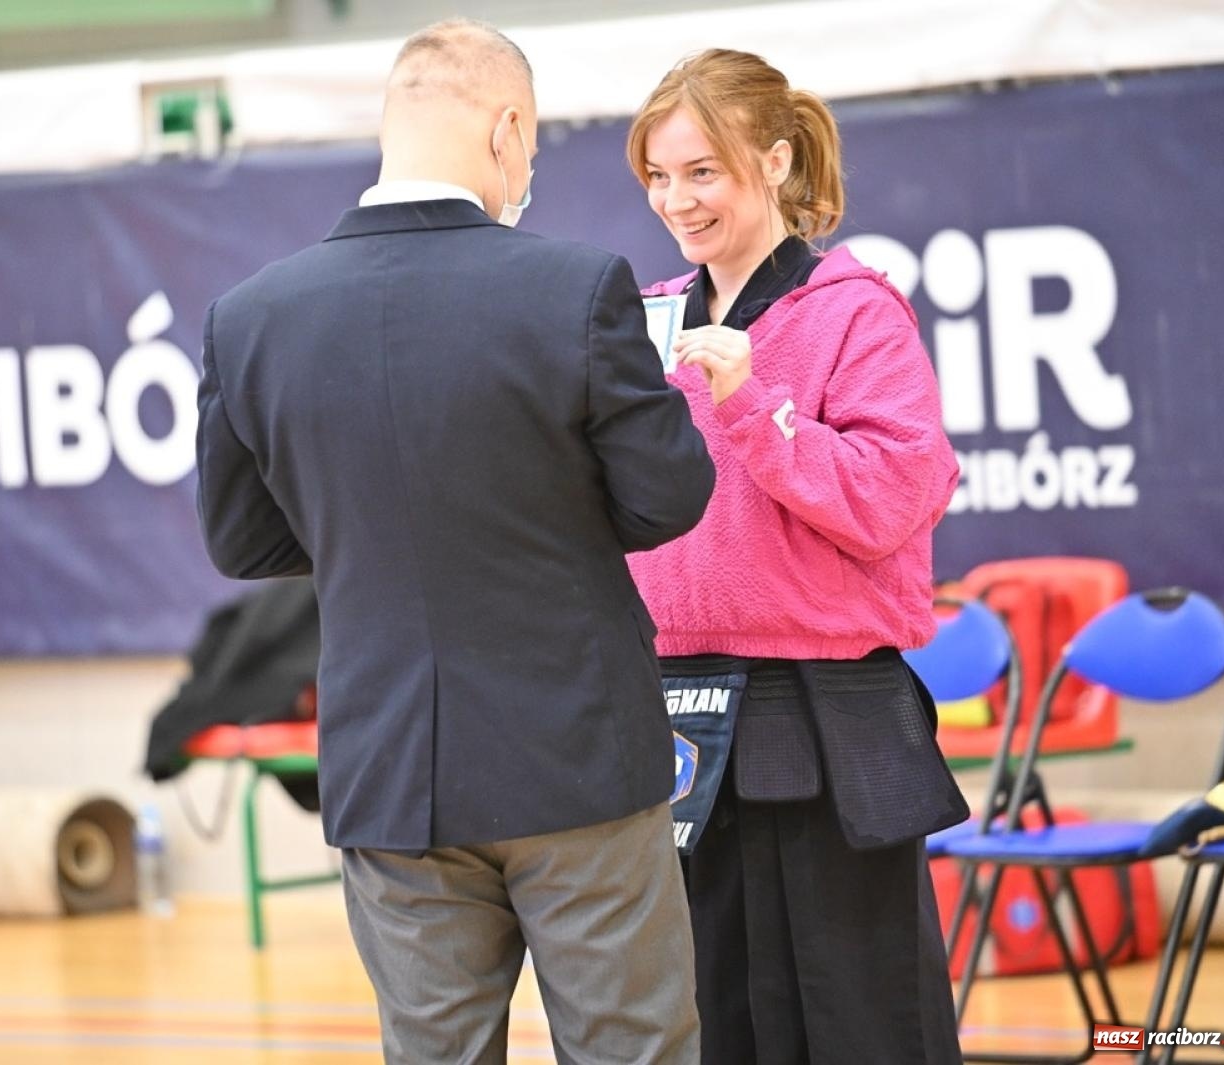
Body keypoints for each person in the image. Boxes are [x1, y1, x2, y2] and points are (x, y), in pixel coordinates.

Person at [195, 19, 714, 1064]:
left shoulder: (249, 317)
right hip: (579, 757)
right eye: (533, 146)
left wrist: (372, 529)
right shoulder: (576, 286)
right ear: (506, 130)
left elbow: (242, 542)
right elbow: (668, 499)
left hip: (391, 773)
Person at [624, 49, 968, 1065]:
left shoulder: (855, 310)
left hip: (823, 710)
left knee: (863, 1022)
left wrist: (754, 404)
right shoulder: (646, 321)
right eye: (658, 175)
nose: (677, 200)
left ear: (774, 163)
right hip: (676, 713)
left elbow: (894, 497)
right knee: (715, 1022)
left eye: (703, 171)